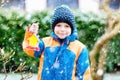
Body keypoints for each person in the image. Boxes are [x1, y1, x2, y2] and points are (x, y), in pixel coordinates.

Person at [22, 5, 91, 80]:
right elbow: (31, 49)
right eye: (58, 25)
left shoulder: (80, 48)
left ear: (72, 28)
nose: (62, 29)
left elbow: (83, 74)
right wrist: (32, 35)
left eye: (66, 26)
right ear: (53, 27)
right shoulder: (45, 43)